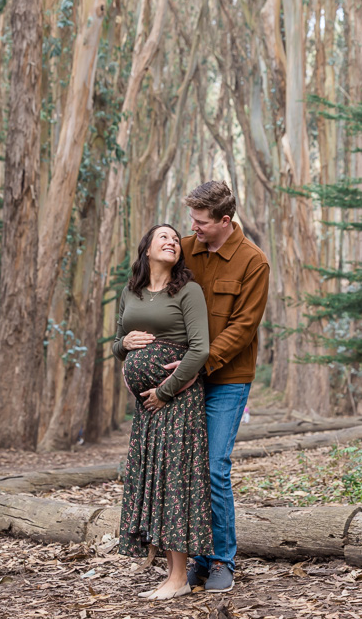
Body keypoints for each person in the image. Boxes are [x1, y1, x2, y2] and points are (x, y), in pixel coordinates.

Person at [145, 181, 269, 592]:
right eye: (191, 221)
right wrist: (128, 337)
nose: (192, 229)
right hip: (180, 379)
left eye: (200, 222)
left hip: (226, 379)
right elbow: (154, 293)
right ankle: (195, 558)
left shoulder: (254, 263)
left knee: (215, 467)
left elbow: (244, 327)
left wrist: (200, 363)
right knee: (189, 471)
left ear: (225, 221)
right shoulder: (184, 248)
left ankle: (221, 560)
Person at [113, 224, 213, 601]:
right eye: (163, 238)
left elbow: (199, 350)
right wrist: (123, 344)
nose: (172, 241)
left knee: (175, 482)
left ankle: (178, 577)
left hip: (176, 401)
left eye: (176, 239)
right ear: (147, 250)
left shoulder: (188, 291)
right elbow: (115, 345)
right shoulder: (131, 291)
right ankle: (169, 570)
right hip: (147, 407)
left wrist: (166, 391)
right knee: (154, 481)